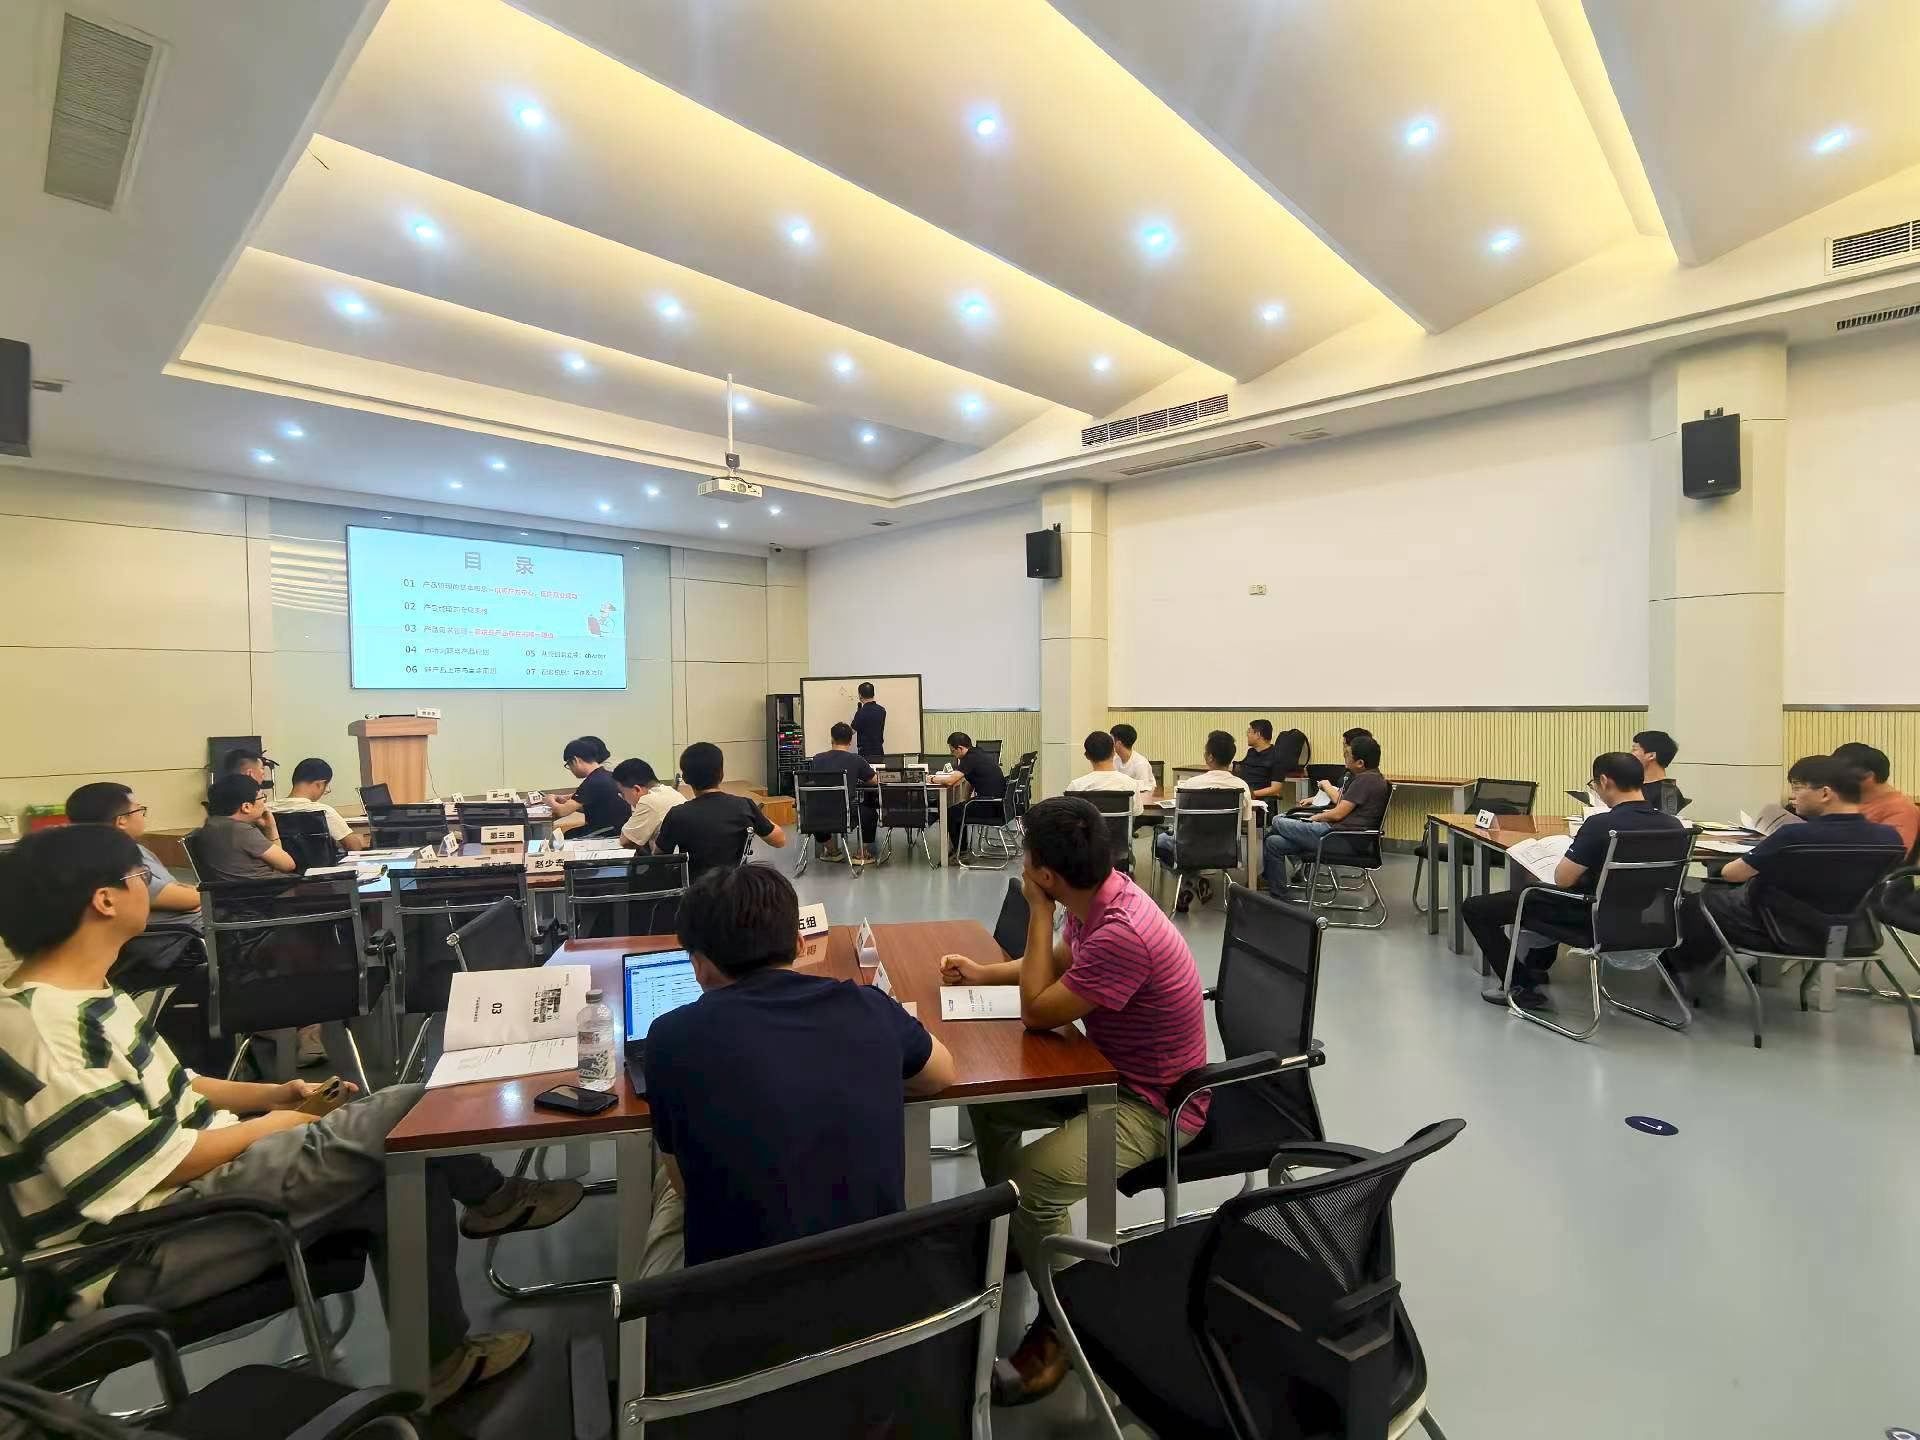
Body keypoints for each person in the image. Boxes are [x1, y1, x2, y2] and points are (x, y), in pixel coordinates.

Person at [0, 826, 583, 1407]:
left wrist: (276, 1096)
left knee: (406, 1169)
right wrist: (283, 1124)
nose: (150, 887)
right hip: (144, 1249)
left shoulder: (83, 995)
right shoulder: (46, 1032)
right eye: (139, 876)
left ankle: (442, 1363)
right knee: (403, 1107)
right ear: (105, 901)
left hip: (193, 1200)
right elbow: (153, 1169)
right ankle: (494, 1199)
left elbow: (181, 1086)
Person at [944, 796, 1208, 1404]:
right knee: (991, 1104)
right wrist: (984, 972)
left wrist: (1038, 912)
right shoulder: (1100, 897)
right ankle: (1023, 1238)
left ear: (1045, 876)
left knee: (1032, 1184)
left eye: (1027, 861)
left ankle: (1069, 1325)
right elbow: (1060, 961)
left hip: (1157, 1105)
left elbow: (1038, 1011)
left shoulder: (1122, 931)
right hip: (1106, 1072)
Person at [640, 864, 953, 1276]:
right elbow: (941, 1073)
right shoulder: (870, 1008)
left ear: (698, 965)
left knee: (665, 1186)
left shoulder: (669, 1039)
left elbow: (687, 1187)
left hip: (736, 1297)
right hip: (876, 1282)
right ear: (800, 943)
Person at [1463, 752, 1684, 1010]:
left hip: (1587, 917)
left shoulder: (1601, 824)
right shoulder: (1674, 826)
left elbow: (1563, 879)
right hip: (1637, 917)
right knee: (1537, 896)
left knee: (1477, 907)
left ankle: (1520, 987)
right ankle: (1534, 967)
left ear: (1605, 781)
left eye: (1594, 784)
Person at [1664, 754, 1905, 975]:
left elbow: (1732, 874)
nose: (1792, 796)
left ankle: (1687, 978)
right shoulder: (1890, 838)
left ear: (1825, 793)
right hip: (1854, 933)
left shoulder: (1793, 836)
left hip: (1774, 930)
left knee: (1695, 902)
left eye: (1797, 788)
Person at [1262, 734, 1391, 894]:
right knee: (1273, 842)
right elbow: (1342, 806)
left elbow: (1337, 814)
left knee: (1277, 820)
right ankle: (1279, 893)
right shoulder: (1372, 778)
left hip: (1338, 838)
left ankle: (1279, 880)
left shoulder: (1365, 780)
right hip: (1341, 836)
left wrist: (1314, 818)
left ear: (1360, 763)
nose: (1344, 757)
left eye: (1347, 755)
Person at [64, 782, 201, 932]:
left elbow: (176, 890)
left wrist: (193, 896)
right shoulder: (111, 857)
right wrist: (197, 898)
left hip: (187, 925)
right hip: (175, 935)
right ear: (122, 820)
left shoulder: (126, 849)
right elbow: (166, 895)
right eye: (139, 810)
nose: (142, 815)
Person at [654, 742, 787, 879]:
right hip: (735, 887)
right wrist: (756, 816)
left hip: (696, 888)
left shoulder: (677, 814)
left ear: (686, 778)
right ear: (721, 774)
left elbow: (658, 858)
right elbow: (780, 840)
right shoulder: (744, 806)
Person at [1152, 730, 1249, 914]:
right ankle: (1192, 882)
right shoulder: (1241, 786)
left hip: (1191, 847)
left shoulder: (1191, 785)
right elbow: (1245, 819)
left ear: (1210, 757)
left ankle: (1191, 881)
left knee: (1160, 840)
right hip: (1226, 849)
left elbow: (1181, 820)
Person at [194, 774, 296, 881]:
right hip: (268, 888)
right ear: (246, 807)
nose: (264, 803)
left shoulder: (213, 825)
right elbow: (287, 865)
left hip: (245, 888)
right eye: (262, 797)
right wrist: (271, 828)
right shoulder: (240, 831)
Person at [806, 722, 878, 861]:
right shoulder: (857, 760)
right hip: (846, 813)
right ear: (850, 741)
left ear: (832, 739)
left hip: (818, 814)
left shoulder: (817, 759)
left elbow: (813, 781)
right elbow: (874, 781)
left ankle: (832, 851)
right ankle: (861, 853)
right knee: (869, 813)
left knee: (814, 812)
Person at [932, 732, 1007, 858]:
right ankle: (961, 849)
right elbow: (970, 781)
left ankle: (960, 851)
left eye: (953, 751)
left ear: (960, 748)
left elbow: (951, 781)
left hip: (990, 805)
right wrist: (965, 802)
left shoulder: (969, 759)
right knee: (959, 809)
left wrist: (932, 779)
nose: (952, 754)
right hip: (998, 803)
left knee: (949, 813)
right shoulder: (978, 753)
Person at [1833, 741, 1919, 852]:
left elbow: (1891, 855)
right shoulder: (1843, 801)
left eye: (1839, 776)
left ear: (1868, 777)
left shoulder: (1901, 809)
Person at [272, 758, 369, 853]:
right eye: (326, 786)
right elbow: (354, 847)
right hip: (320, 864)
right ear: (319, 784)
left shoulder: (268, 809)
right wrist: (357, 841)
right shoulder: (324, 811)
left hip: (279, 863)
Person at [548, 736, 632, 837]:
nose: (571, 770)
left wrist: (550, 800)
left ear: (576, 760)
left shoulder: (593, 781)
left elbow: (562, 811)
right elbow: (589, 804)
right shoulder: (606, 774)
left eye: (569, 765)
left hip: (609, 831)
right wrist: (566, 802)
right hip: (618, 827)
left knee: (569, 836)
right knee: (570, 833)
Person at [614, 757, 684, 851]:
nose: (623, 799)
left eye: (623, 794)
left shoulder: (648, 801)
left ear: (637, 789)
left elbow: (626, 841)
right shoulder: (669, 790)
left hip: (668, 859)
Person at [1065, 730, 1145, 812]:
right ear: (1114, 753)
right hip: (1120, 821)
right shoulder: (1131, 784)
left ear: (1087, 756)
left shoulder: (1075, 786)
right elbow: (1136, 812)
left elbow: (1069, 814)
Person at [1236, 720, 1293, 810]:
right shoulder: (1251, 752)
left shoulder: (1277, 755)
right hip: (1244, 799)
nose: (1247, 735)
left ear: (1258, 734)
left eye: (1249, 732)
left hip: (1260, 803)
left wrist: (1251, 794)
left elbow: (1276, 789)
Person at [1631, 730, 1688, 815]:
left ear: (1651, 756)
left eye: (1634, 750)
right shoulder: (1631, 784)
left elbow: (1666, 822)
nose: (1631, 754)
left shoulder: (1669, 792)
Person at [1109, 723, 1155, 793]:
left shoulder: (1140, 764)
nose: (1108, 742)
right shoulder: (1114, 759)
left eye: (1111, 739)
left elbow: (1144, 791)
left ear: (1118, 743)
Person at [850, 682, 887, 759]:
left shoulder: (861, 712)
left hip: (865, 752)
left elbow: (852, 731)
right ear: (873, 694)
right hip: (879, 750)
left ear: (860, 695)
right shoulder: (882, 710)